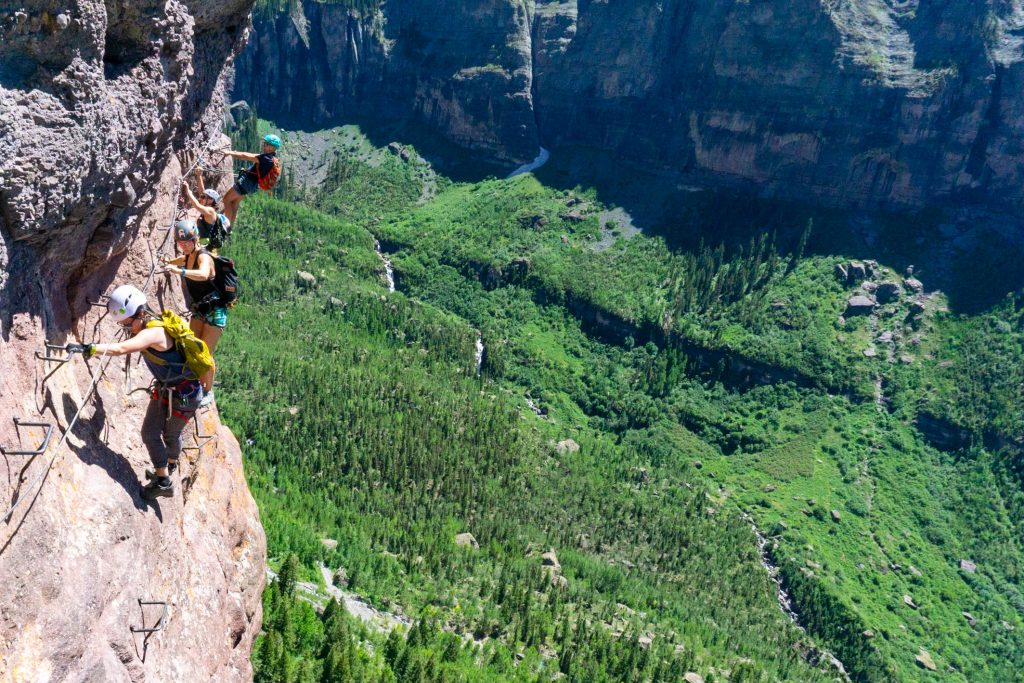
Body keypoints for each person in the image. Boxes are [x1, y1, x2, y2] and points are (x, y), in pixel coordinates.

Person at [82, 284, 206, 500]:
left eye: (127, 324)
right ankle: (165, 470)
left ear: (140, 314)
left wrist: (93, 347)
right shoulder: (151, 324)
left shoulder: (153, 333)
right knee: (150, 433)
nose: (127, 328)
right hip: (170, 389)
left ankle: (165, 479)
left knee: (169, 434)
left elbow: (121, 349)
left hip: (185, 395)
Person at [160, 220, 222, 402]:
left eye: (187, 242)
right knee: (192, 347)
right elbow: (180, 260)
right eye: (180, 243)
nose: (184, 246)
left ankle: (208, 391)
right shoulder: (189, 256)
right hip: (200, 309)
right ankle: (195, 382)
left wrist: (179, 271)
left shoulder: (204, 256)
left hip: (215, 311)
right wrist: (168, 262)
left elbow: (203, 274)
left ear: (195, 239)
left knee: (205, 353)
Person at [220, 133, 281, 224]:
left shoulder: (265, 158)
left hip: (246, 182)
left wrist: (230, 153)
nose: (264, 145)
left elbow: (245, 156)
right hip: (251, 185)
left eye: (267, 144)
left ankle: (225, 227)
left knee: (226, 200)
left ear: (273, 148)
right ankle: (229, 228)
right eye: (265, 143)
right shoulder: (271, 159)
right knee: (234, 205)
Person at [181, 168, 231, 253]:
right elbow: (202, 191)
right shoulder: (209, 208)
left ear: (211, 200)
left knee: (190, 252)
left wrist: (188, 191)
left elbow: (197, 205)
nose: (201, 198)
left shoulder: (210, 211)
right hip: (204, 240)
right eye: (202, 197)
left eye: (204, 197)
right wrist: (199, 175)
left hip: (206, 245)